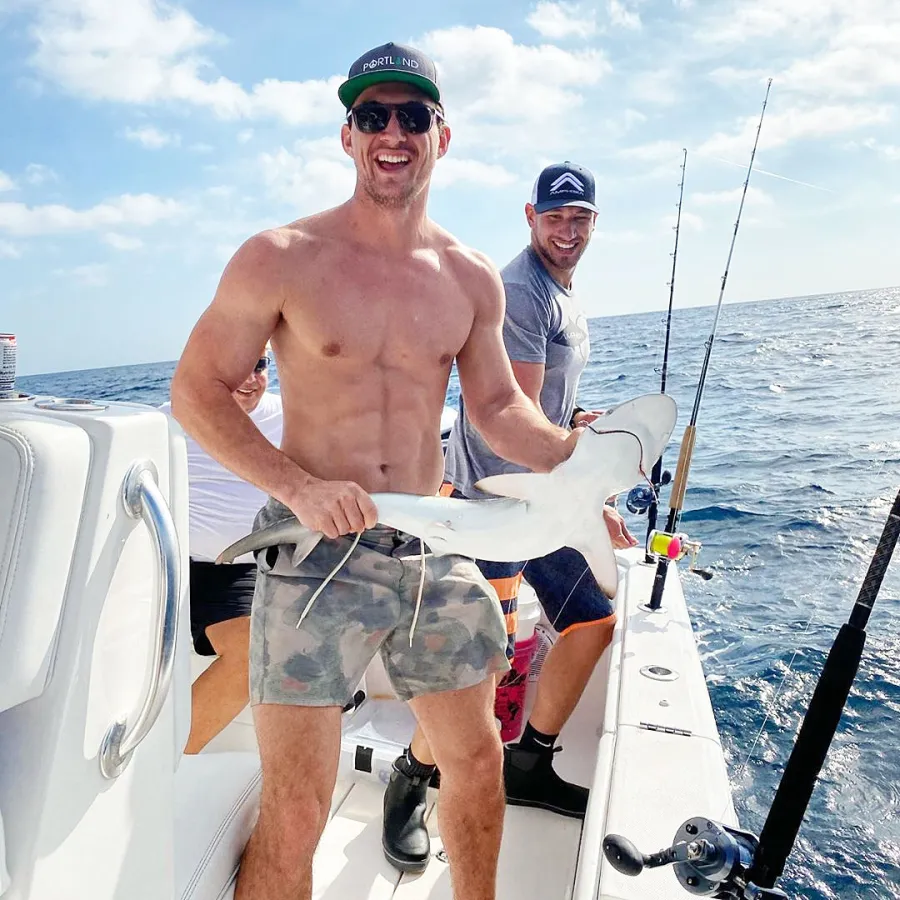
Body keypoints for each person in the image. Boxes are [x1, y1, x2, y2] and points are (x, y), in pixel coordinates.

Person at [169, 42, 586, 900]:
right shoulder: (279, 255)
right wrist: (298, 487)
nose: (391, 131)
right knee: (298, 803)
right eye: (371, 115)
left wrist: (582, 462)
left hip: (428, 541)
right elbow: (195, 390)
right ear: (348, 136)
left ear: (443, 133)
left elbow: (498, 409)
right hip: (313, 555)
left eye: (411, 115)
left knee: (476, 761)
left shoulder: (471, 277)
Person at [382, 161, 638, 873]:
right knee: (476, 666)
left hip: (542, 504)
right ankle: (409, 777)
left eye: (580, 217)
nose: (567, 229)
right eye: (555, 217)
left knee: (592, 620)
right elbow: (511, 423)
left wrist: (581, 433)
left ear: (594, 222)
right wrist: (591, 500)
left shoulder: (564, 293)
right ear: (530, 216)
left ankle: (529, 762)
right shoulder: (523, 293)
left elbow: (546, 414)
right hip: (497, 508)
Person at [160, 350, 283, 753]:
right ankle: (156, 770)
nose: (250, 378)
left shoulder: (294, 417)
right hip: (177, 564)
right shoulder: (169, 420)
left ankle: (165, 766)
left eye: (261, 366)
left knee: (260, 654)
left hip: (254, 564)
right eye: (236, 366)